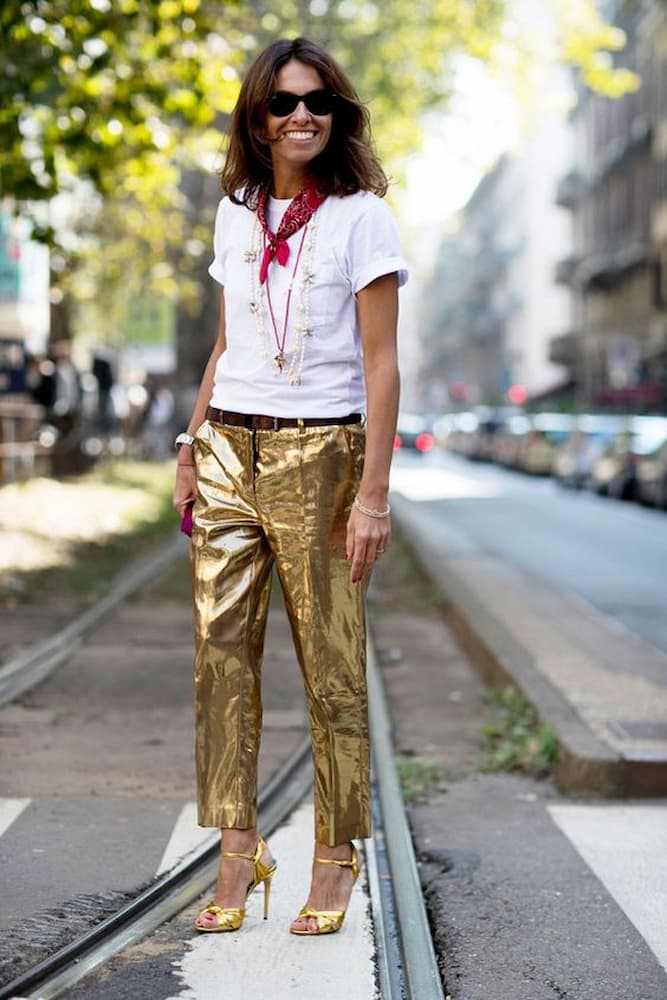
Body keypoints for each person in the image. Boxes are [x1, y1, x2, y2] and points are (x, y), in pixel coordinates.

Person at [172, 36, 407, 937]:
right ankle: (239, 849)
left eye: (318, 102)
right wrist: (191, 441)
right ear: (256, 119)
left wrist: (373, 494)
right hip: (231, 446)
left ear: (337, 116)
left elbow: (382, 366)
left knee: (331, 669)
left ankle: (336, 851)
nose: (301, 115)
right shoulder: (235, 214)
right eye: (282, 103)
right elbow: (229, 346)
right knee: (218, 658)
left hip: (324, 457)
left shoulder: (362, 219)